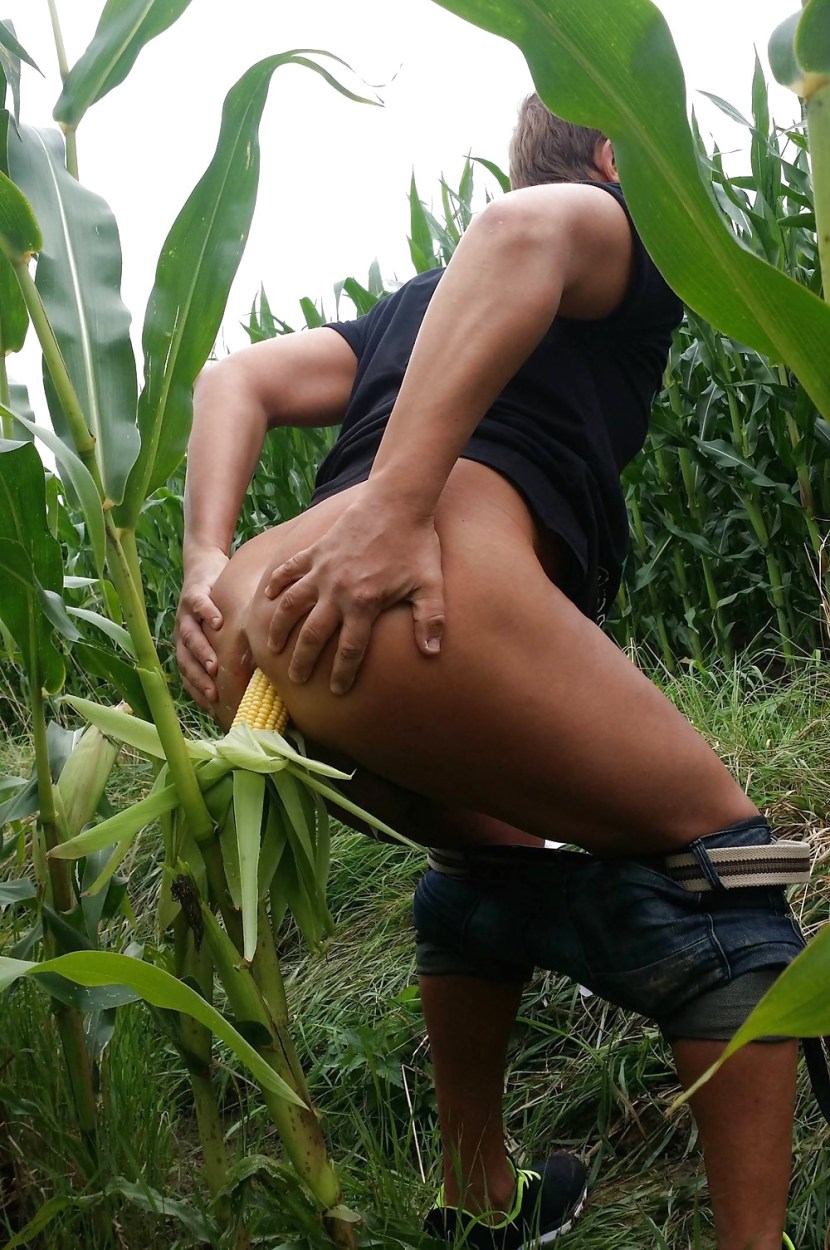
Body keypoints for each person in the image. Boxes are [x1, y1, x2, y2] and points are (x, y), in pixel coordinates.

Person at [175, 95, 807, 1250]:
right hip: (411, 602)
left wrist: (206, 562)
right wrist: (399, 507)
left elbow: (231, 380)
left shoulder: (408, 310)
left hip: (267, 620)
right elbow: (520, 234)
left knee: (491, 855)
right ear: (617, 158)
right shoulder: (620, 226)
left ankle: (478, 1198)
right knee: (739, 869)